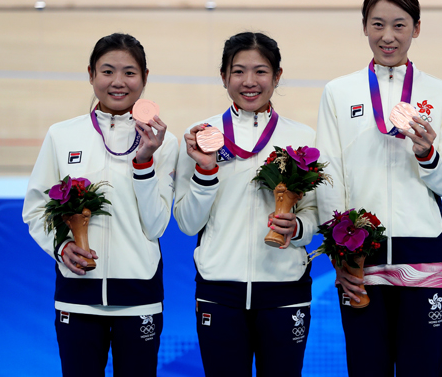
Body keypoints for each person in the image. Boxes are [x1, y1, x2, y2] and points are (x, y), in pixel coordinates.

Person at [315, 0, 442, 377]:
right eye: (378, 24)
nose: (388, 36)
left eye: (399, 25)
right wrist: (341, 253)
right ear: (364, 25)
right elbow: (328, 177)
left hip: (425, 260)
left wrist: (427, 154)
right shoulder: (338, 92)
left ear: (417, 27)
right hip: (361, 258)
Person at [22, 32, 177, 376]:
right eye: (107, 71)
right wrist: (61, 247)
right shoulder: (62, 136)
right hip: (76, 296)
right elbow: (35, 209)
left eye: (129, 72)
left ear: (145, 77)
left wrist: (145, 162)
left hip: (139, 296)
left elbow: (156, 225)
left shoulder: (166, 143)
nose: (118, 82)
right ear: (90, 74)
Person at [173, 32, 318, 377]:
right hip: (220, 291)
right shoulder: (200, 138)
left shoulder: (304, 140)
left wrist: (298, 228)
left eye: (261, 71)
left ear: (277, 76)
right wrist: (205, 170)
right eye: (238, 71)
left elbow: (315, 215)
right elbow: (187, 223)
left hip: (285, 291)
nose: (249, 82)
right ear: (223, 76)